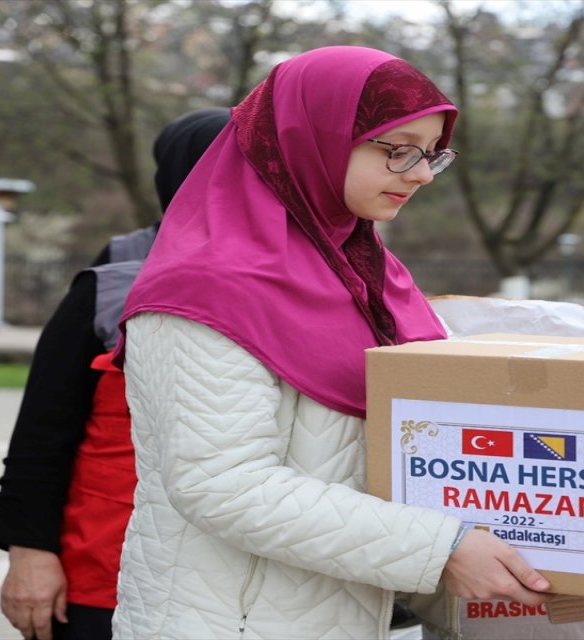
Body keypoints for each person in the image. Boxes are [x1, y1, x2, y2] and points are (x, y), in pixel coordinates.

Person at [109, 46, 550, 639]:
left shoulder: (370, 278)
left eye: (432, 154)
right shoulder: (204, 286)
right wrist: (444, 546)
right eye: (398, 150)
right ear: (310, 137)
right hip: (224, 621)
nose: (420, 173)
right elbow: (222, 485)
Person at [0, 106, 230, 640]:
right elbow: (44, 430)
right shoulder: (113, 283)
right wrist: (30, 550)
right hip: (105, 573)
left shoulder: (319, 284)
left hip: (236, 586)